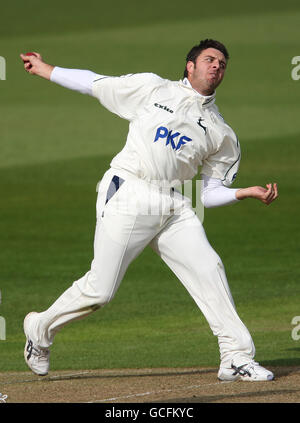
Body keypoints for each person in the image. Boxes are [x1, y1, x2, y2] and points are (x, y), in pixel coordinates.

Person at [20, 39, 278, 381]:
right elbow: (94, 84)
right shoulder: (153, 88)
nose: (217, 66)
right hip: (130, 191)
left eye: (222, 64)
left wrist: (242, 193)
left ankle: (235, 354)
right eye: (210, 59)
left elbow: (210, 192)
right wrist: (46, 69)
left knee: (208, 267)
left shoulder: (221, 133)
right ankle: (39, 327)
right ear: (190, 66)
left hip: (175, 204)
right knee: (100, 291)